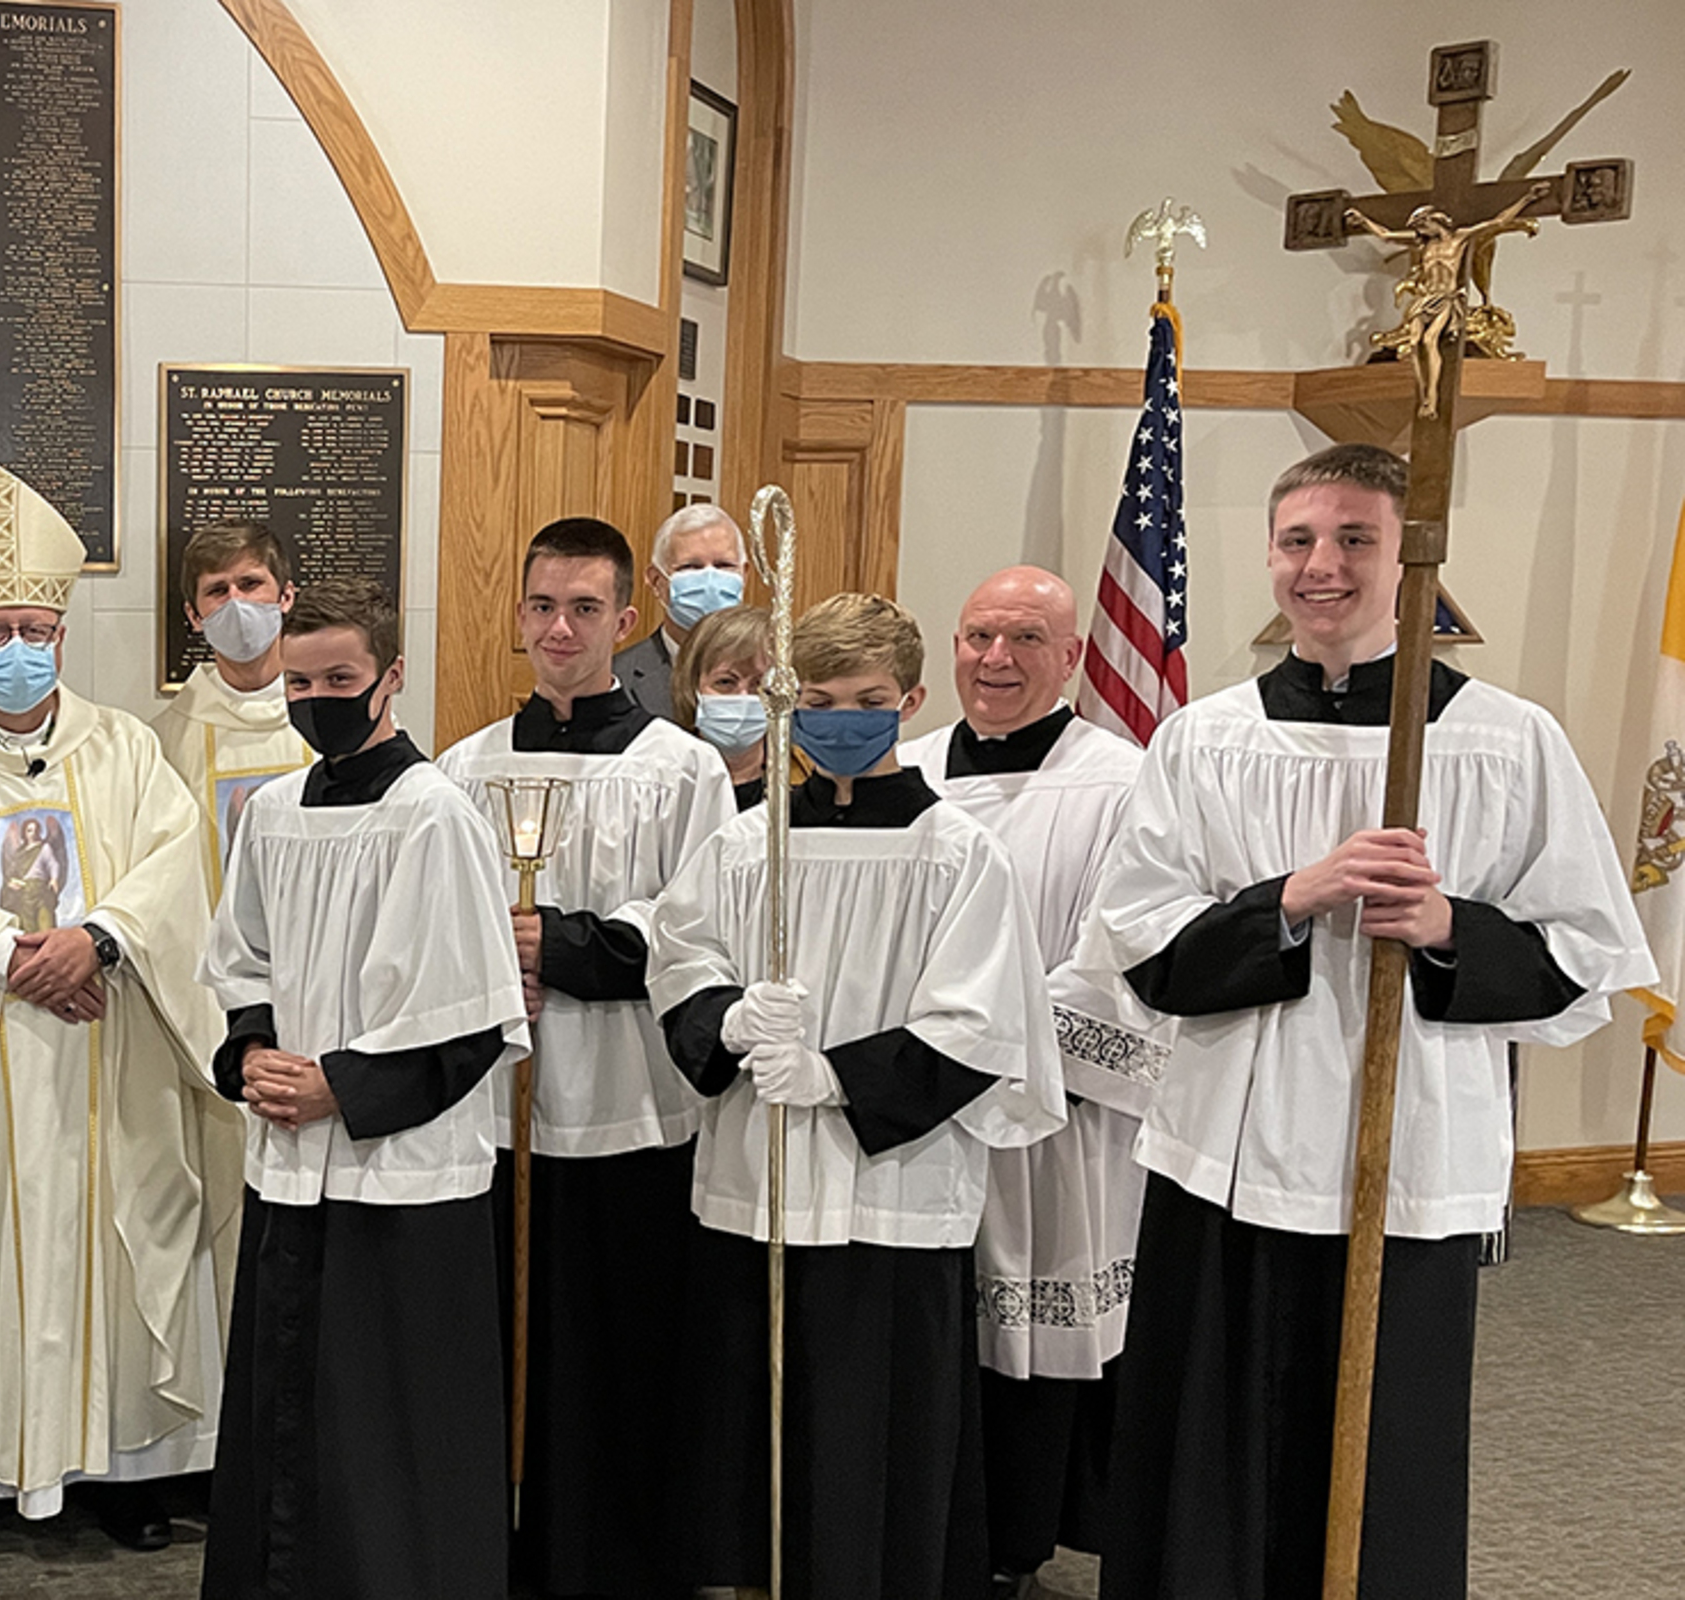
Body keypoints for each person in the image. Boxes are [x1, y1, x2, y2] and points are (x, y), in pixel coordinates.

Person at [1087, 444, 1650, 1600]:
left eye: (1354, 539)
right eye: (1296, 540)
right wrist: (1286, 901)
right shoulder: (1206, 737)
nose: (1321, 565)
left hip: (1406, 1153)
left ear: (1410, 562)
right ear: (1267, 555)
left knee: (1381, 1445)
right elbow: (1136, 939)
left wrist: (1446, 927)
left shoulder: (1505, 740)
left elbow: (1587, 955)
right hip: (1224, 1152)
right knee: (1208, 1434)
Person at [649, 592, 1066, 1600]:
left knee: (870, 1450)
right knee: (751, 1443)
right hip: (755, 1187)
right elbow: (678, 955)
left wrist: (836, 1075)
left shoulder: (957, 852)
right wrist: (728, 1018)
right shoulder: (745, 844)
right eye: (821, 702)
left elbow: (978, 1024)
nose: (842, 721)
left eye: (869, 702)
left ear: (910, 702)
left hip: (890, 1200)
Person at [0, 463, 228, 1564]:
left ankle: (127, 1469)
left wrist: (95, 939)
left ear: (61, 635)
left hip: (108, 1049)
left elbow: (176, 869)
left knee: (126, 1241)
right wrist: (1, 952)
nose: (15, 646)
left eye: (33, 628)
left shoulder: (125, 749)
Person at [198, 578, 531, 1600]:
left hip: (401, 1176)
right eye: (298, 684)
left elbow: (473, 1019)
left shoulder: (434, 816)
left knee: (390, 1427)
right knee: (285, 1410)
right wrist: (252, 1054)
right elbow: (240, 961)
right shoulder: (273, 813)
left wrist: (339, 1087)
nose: (316, 701)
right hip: (290, 1163)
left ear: (391, 677)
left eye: (338, 680)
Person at [435, 518, 732, 1597]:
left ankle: (613, 1559)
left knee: (621, 1350)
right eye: (542, 607)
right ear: (518, 617)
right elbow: (429, 922)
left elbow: (698, 925)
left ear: (625, 619)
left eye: (584, 609)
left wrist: (556, 945)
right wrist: (483, 957)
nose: (560, 629)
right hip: (495, 1110)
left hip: (626, 1107)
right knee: (503, 1345)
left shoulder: (681, 768)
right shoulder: (463, 768)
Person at [897, 566, 1175, 1596]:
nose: (995, 659)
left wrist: (972, 1052)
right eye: (978, 635)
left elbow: (1115, 956)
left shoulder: (1121, 783)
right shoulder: (903, 771)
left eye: (1023, 639)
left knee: (1022, 1335)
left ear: (1070, 657)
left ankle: (1011, 1543)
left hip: (1044, 1122)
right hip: (910, 1112)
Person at [148, 520, 306, 1320]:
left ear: (287, 596)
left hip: (318, 1003)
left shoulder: (329, 717)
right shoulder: (165, 741)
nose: (237, 604)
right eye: (218, 592)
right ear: (193, 615)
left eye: (251, 586)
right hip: (212, 1012)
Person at [611, 503, 748, 717]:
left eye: (724, 565)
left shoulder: (774, 676)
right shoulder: (617, 679)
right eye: (690, 567)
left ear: (744, 574)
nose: (710, 579)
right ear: (656, 581)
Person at [673, 602, 777, 812]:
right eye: (725, 682)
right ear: (692, 687)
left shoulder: (801, 780)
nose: (743, 696)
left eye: (759, 684)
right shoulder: (658, 779)